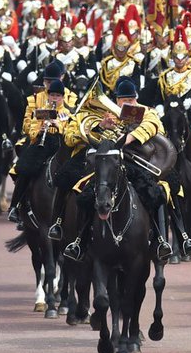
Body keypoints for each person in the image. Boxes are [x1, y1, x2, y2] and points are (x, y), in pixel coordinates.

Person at [56, 79, 178, 262]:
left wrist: (129, 135)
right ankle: (79, 240)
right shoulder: (105, 115)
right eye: (123, 100)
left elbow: (154, 126)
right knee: (88, 192)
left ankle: (166, 240)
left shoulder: (147, 112)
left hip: (136, 162)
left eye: (131, 99)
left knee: (158, 190)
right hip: (109, 164)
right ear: (117, 100)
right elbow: (78, 137)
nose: (127, 103)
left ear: (136, 98)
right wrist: (101, 127)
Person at [8, 78, 71, 225]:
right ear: (48, 95)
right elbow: (31, 129)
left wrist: (59, 126)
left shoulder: (67, 113)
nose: (55, 98)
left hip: (61, 145)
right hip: (43, 143)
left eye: (58, 95)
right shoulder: (42, 111)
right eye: (52, 95)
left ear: (62, 97)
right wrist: (39, 130)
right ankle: (15, 206)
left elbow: (71, 133)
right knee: (24, 168)